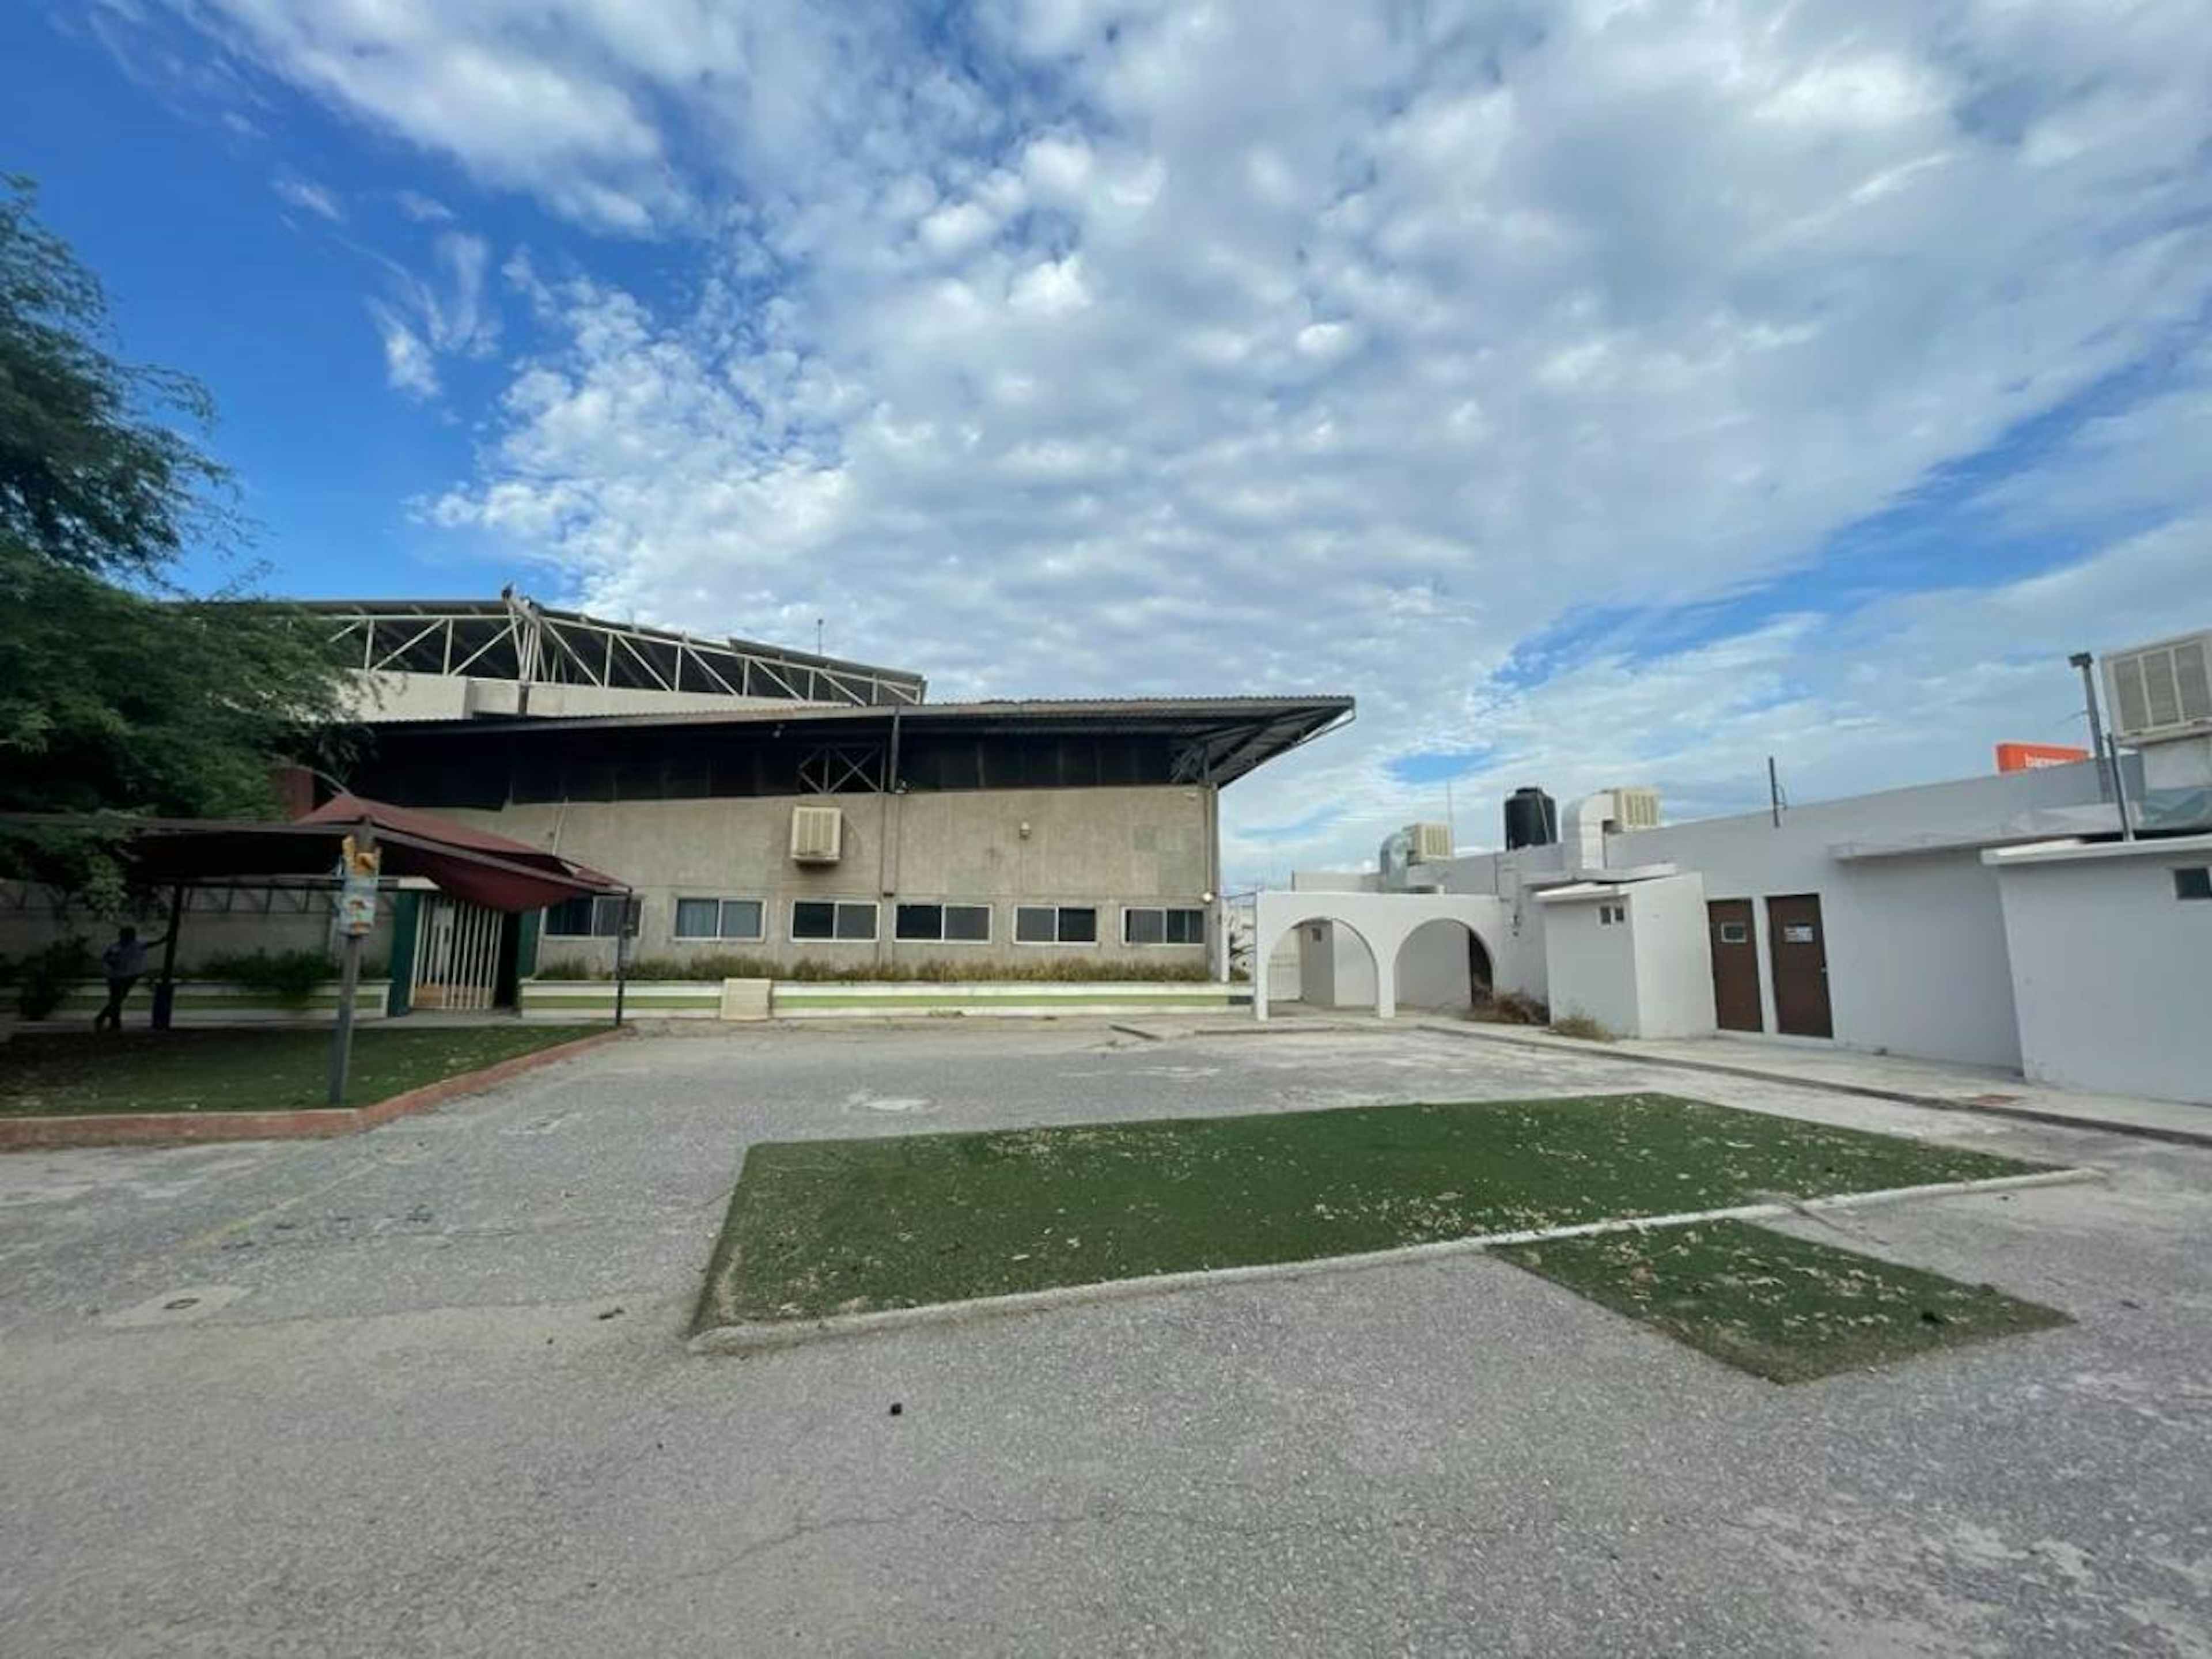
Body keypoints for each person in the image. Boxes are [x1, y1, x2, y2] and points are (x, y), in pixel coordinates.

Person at [93, 925, 166, 1032]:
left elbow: (150, 944)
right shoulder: (117, 947)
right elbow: (108, 958)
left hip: (129, 976)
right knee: (117, 999)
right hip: (117, 976)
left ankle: (111, 1022)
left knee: (117, 999)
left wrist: (163, 940)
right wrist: (113, 963)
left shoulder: (136, 945)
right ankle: (107, 1020)